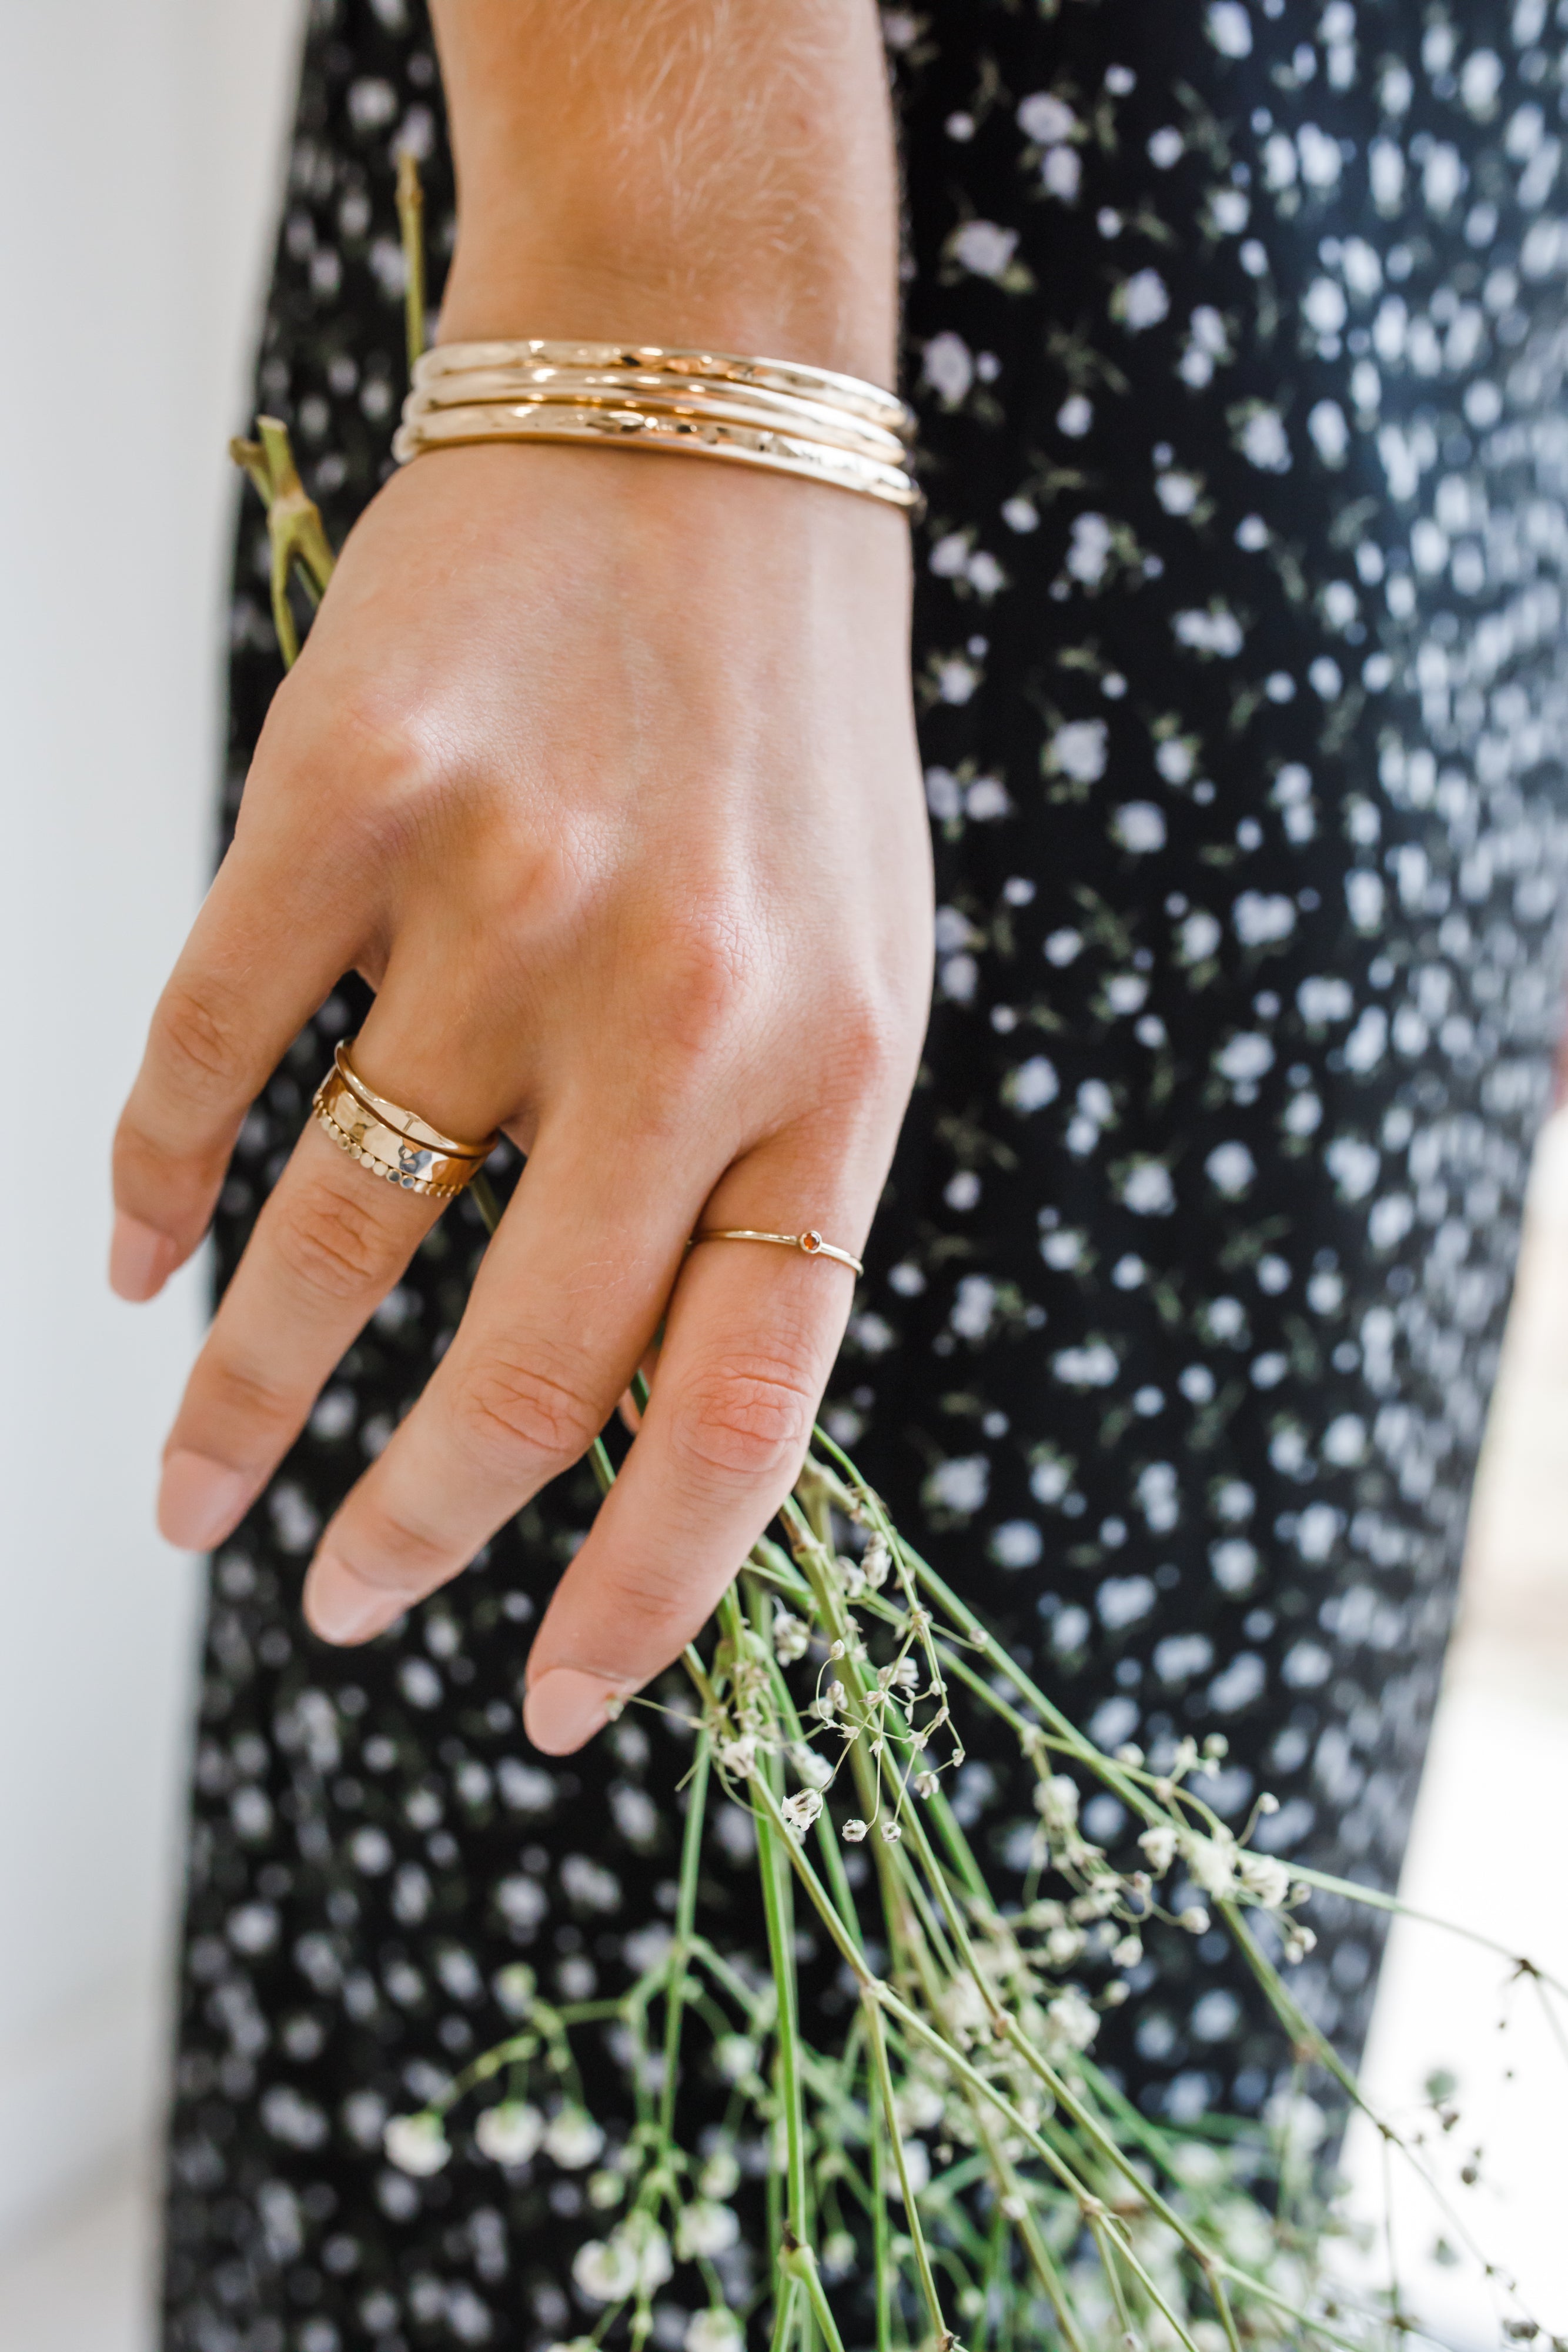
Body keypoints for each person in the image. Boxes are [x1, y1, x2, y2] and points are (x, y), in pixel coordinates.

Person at [116, 4, 1568, 2344]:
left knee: (1148, 2059)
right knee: (576, 2049)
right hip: (858, 382)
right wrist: (669, 309)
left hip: (1423, 382)